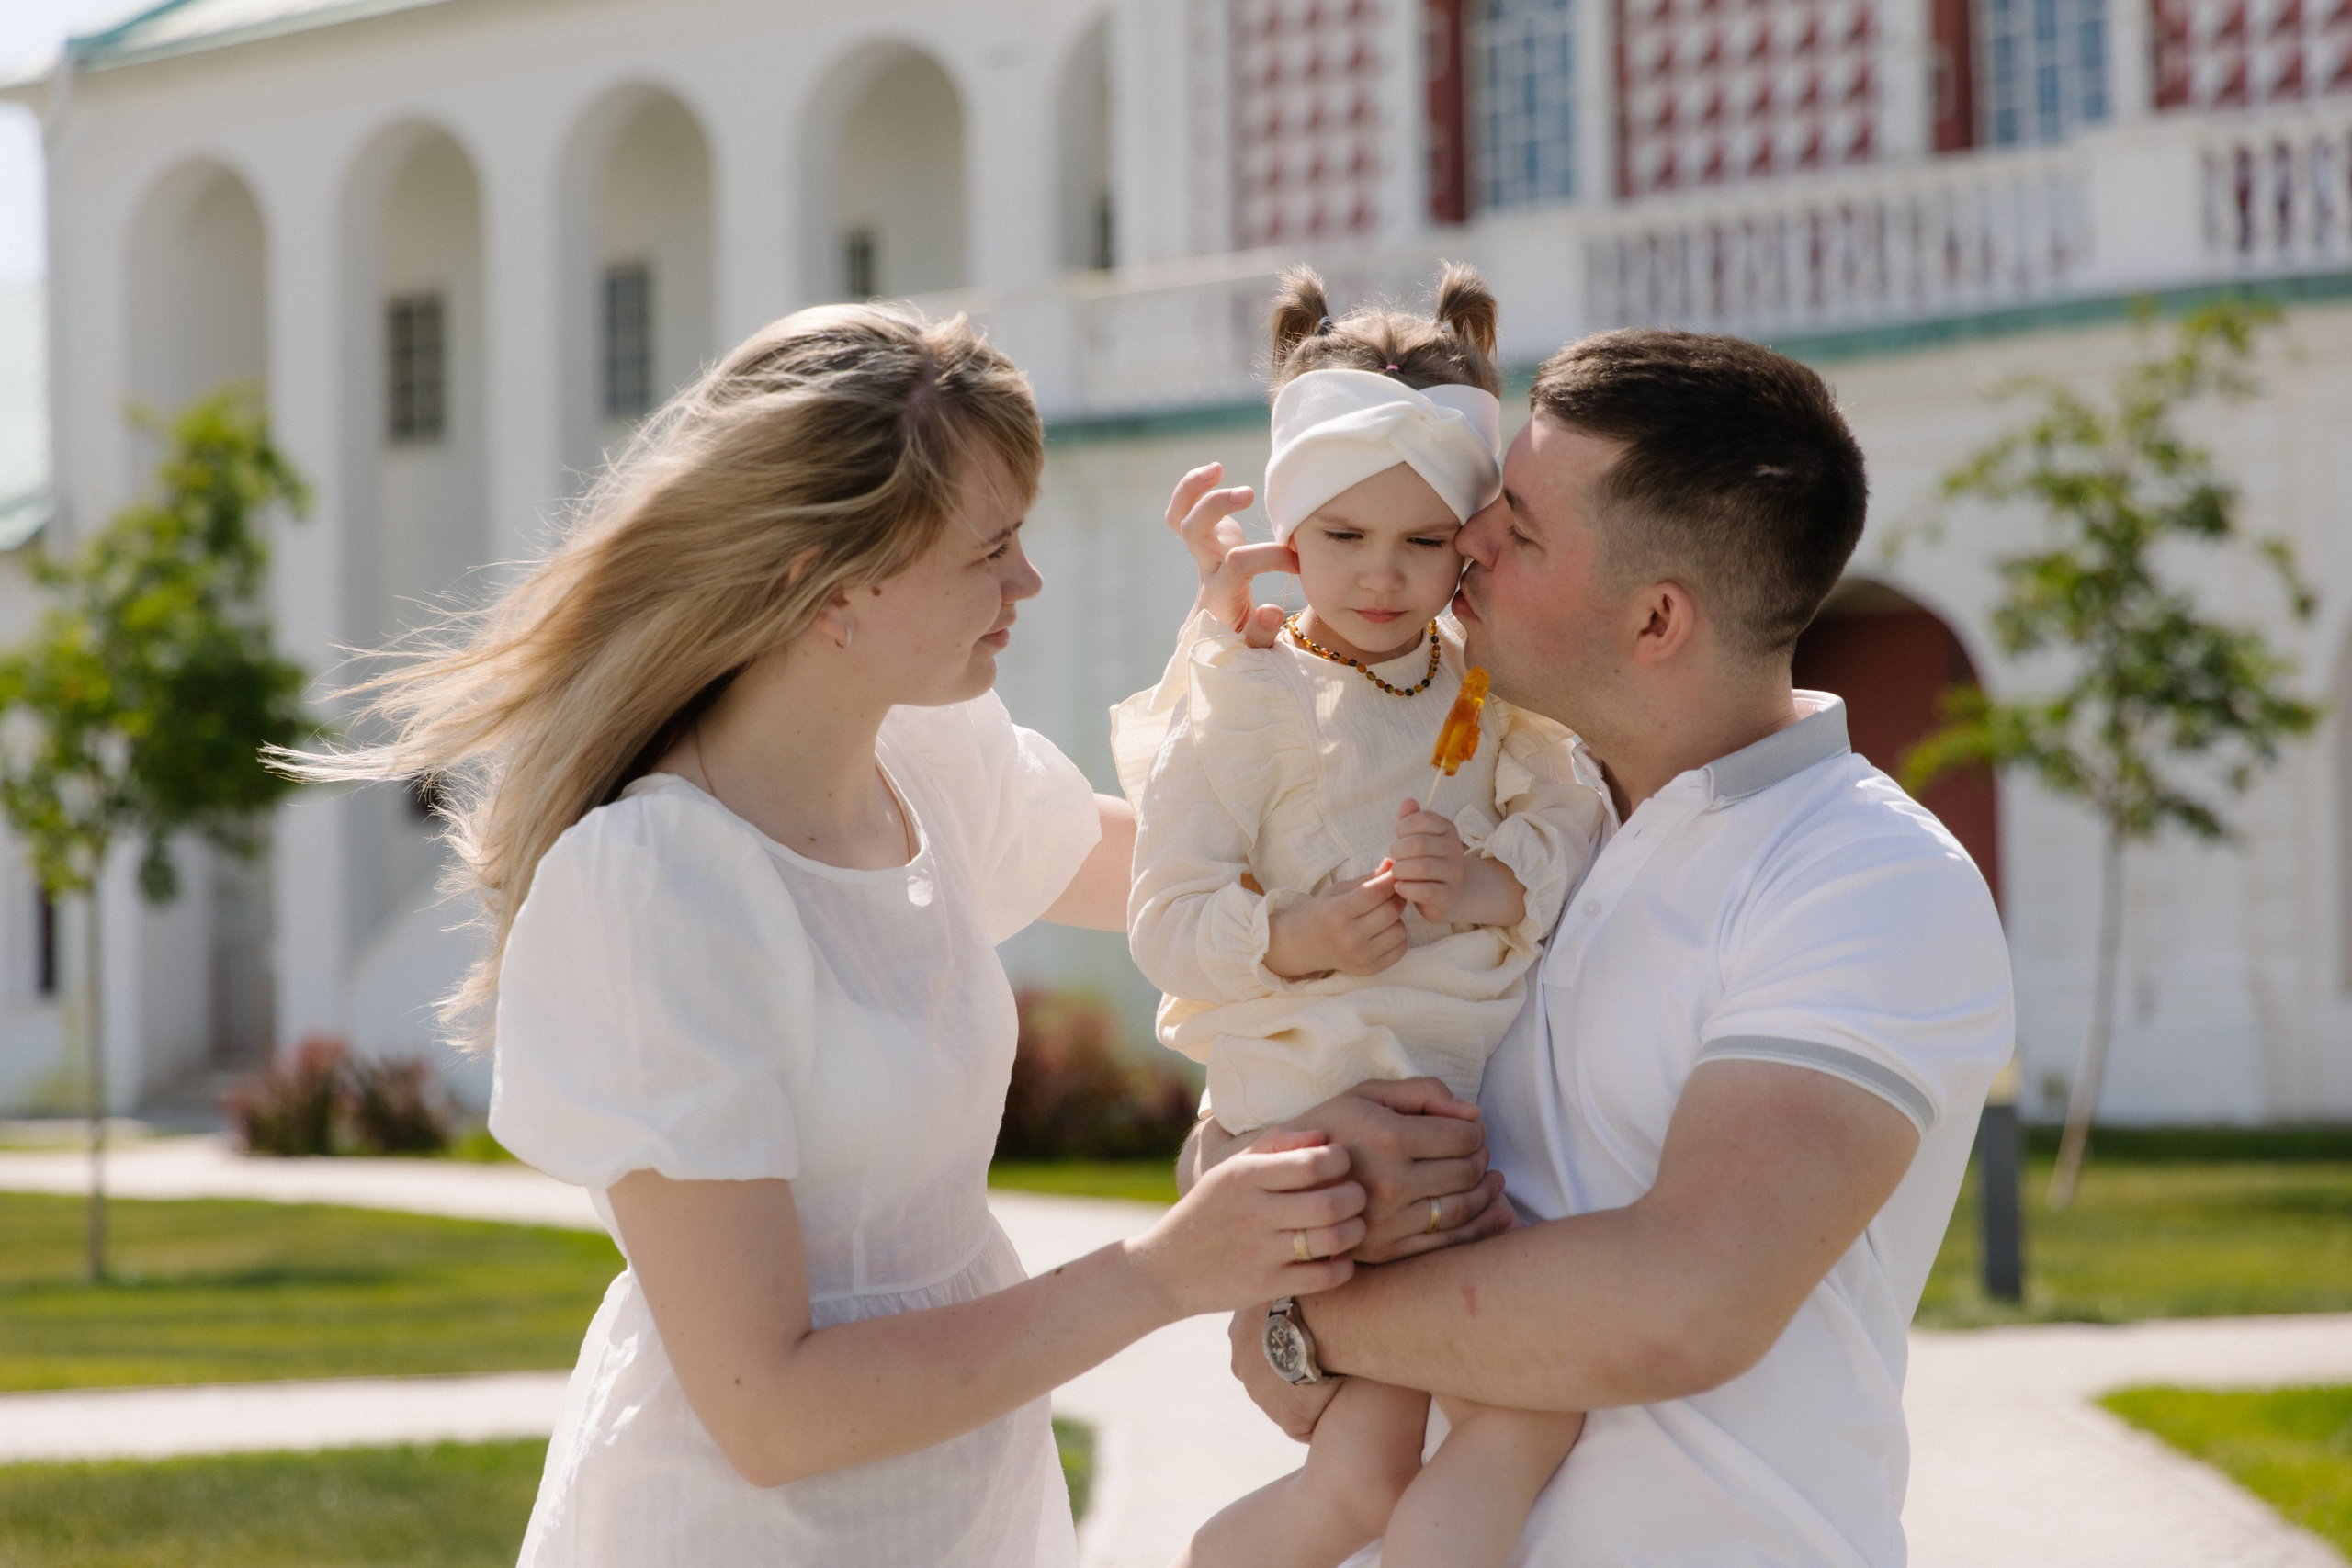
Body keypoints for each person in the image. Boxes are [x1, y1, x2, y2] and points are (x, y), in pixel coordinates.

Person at [278, 304, 1443, 1566]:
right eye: (988, 550)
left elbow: (1203, 895)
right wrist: (1167, 1272)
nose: (1026, 583)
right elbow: (769, 1410)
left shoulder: (929, 761)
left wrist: (1401, 714)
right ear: (826, 589)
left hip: (965, 1508)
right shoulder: (657, 883)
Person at [1188, 330, 2015, 1565]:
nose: (1462, 539)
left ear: (1657, 618)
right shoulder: (1513, 826)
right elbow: (1250, 1088)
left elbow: (1683, 1303)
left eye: (1516, 528)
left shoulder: (1864, 877)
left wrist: (1310, 1312)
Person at [1111, 265, 1600, 1568]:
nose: (1383, 578)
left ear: (1468, 540)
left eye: (1422, 542)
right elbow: (1165, 911)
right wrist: (1298, 937)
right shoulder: (1245, 693)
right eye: (1342, 537)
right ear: (1284, 531)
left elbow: (1573, 817)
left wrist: (1494, 883)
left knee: (1498, 1415)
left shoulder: (1491, 702)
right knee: (1411, 1445)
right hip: (1306, 1121)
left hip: (1444, 1130)